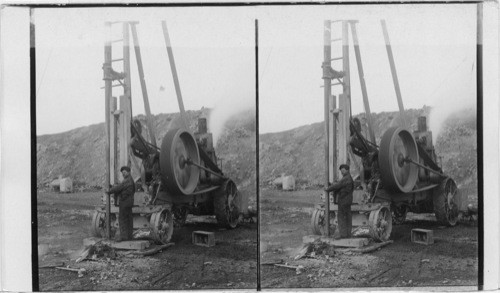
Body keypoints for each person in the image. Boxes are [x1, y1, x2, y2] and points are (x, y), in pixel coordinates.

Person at [105, 166, 135, 242]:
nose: (123, 174)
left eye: (124, 173)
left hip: (124, 202)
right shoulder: (131, 180)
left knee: (122, 219)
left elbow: (119, 188)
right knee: (129, 219)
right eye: (122, 173)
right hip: (129, 202)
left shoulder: (127, 181)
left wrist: (109, 191)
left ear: (128, 172)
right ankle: (129, 236)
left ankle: (124, 237)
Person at [325, 164, 354, 239]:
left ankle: (343, 235)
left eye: (343, 170)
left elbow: (338, 185)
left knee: (341, 217)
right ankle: (348, 234)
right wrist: (332, 185)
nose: (342, 172)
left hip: (343, 200)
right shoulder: (348, 178)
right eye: (341, 171)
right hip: (348, 200)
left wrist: (328, 189)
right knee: (347, 217)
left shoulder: (346, 178)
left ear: (347, 170)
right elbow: (340, 185)